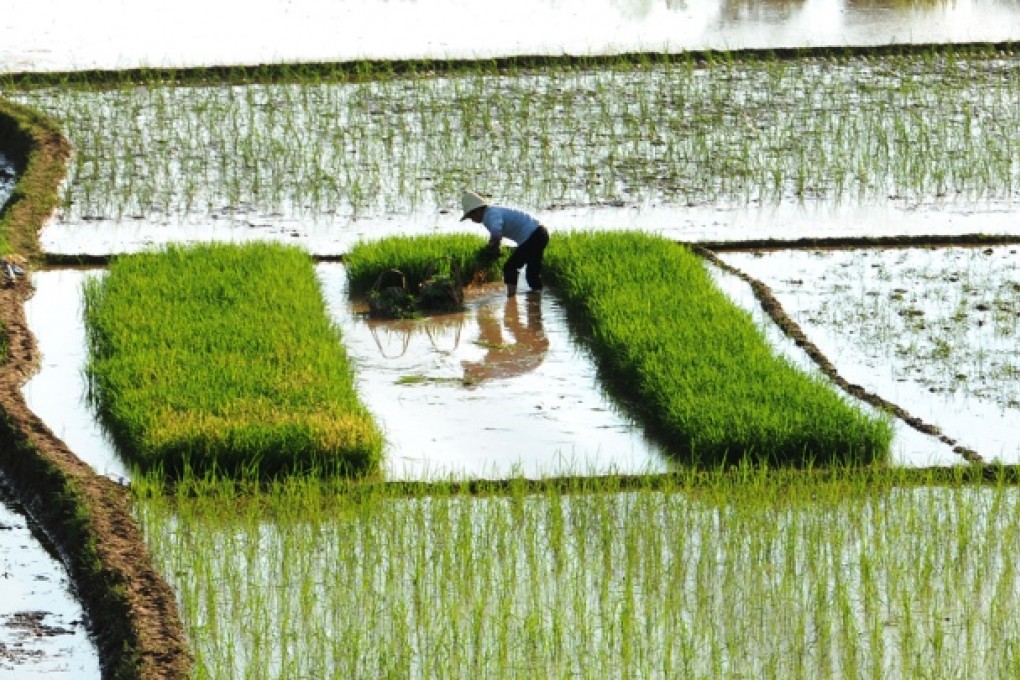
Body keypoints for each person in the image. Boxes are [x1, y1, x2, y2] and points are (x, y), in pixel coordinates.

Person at [460, 190, 550, 297]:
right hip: (540, 233)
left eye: (471, 217)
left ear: (477, 211)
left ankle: (511, 298)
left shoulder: (491, 214)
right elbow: (496, 233)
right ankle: (536, 297)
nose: (472, 220)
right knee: (532, 274)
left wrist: (493, 247)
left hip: (533, 236)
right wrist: (495, 245)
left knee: (510, 267)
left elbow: (496, 233)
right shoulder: (491, 214)